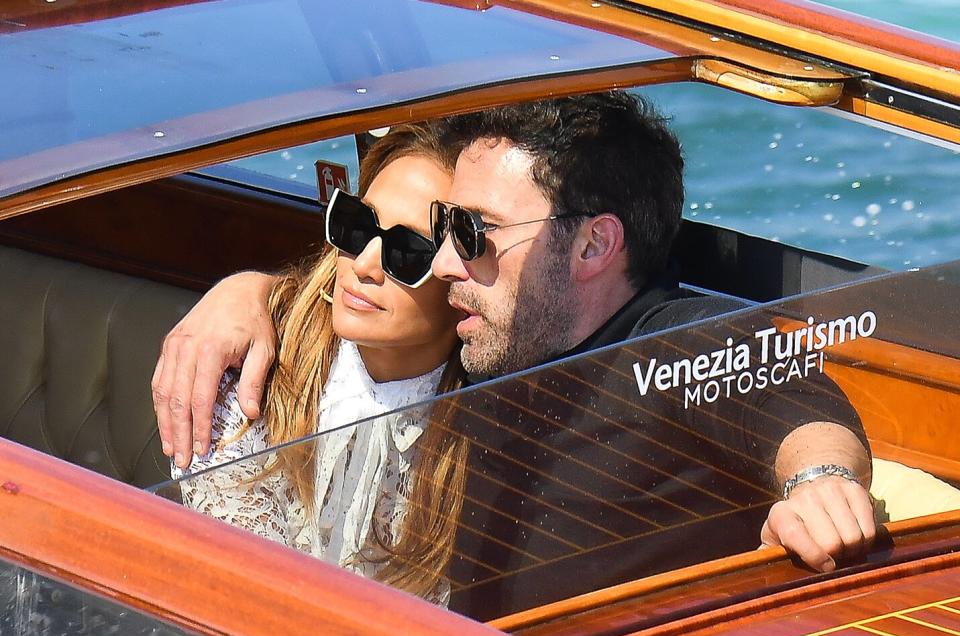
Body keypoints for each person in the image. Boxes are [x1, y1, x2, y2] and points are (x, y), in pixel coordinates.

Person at [153, 92, 875, 582]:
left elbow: (788, 394)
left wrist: (822, 484)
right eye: (444, 233)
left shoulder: (669, 346)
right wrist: (250, 292)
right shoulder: (485, 346)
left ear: (594, 246)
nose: (443, 263)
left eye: (473, 233)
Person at [167, 121, 469, 603]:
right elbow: (247, 595)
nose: (365, 264)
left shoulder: (492, 418)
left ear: (462, 277)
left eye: (407, 250)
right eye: (358, 224)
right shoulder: (254, 370)